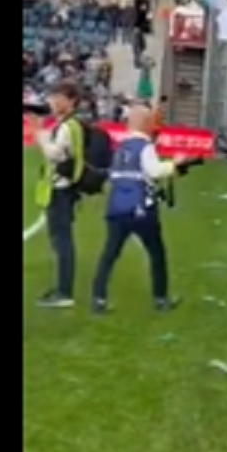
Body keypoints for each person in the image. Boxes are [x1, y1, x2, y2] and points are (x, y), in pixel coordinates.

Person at [90, 102, 181, 314]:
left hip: (117, 207)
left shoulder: (120, 147)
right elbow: (154, 171)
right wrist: (175, 164)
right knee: (156, 253)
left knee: (109, 254)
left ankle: (98, 298)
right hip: (141, 209)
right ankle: (160, 299)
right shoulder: (145, 147)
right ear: (147, 124)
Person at [31, 81, 85, 308]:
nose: (52, 102)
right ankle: (62, 288)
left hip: (61, 190)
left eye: (58, 98)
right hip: (62, 189)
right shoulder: (67, 125)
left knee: (62, 241)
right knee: (59, 240)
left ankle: (64, 292)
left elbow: (57, 155)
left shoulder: (68, 127)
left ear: (71, 101)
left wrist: (39, 133)